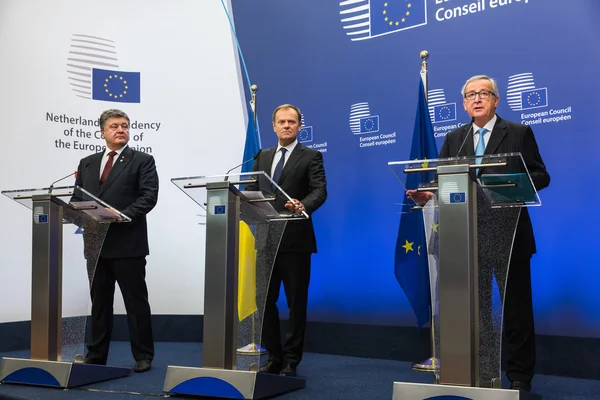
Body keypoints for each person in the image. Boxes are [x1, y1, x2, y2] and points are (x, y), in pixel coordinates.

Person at [408, 75, 550, 392]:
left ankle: (519, 377)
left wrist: (509, 187)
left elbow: (541, 175)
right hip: (467, 237)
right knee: (478, 311)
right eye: (470, 94)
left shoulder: (517, 132)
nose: (477, 99)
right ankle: (484, 371)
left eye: (484, 93)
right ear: (463, 103)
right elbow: (444, 181)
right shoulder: (454, 138)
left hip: (509, 234)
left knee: (515, 310)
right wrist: (430, 195)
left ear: (496, 100)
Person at [71, 109, 159, 373]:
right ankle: (96, 356)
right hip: (96, 245)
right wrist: (76, 213)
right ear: (102, 132)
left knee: (135, 302)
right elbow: (77, 199)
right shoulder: (87, 162)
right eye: (114, 126)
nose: (120, 130)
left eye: (125, 126)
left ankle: (143, 355)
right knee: (99, 303)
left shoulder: (142, 160)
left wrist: (121, 216)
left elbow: (148, 196)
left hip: (127, 243)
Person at [246, 104, 327, 377]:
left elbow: (320, 191)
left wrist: (302, 204)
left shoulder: (311, 156)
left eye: (292, 121)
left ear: (299, 126)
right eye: (282, 121)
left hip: (295, 240)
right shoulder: (263, 156)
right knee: (264, 301)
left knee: (295, 303)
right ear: (273, 126)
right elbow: (250, 190)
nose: (286, 126)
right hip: (266, 239)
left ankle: (291, 360)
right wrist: (248, 204)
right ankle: (273, 357)